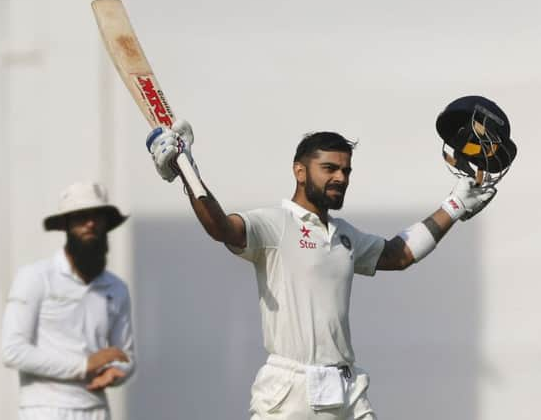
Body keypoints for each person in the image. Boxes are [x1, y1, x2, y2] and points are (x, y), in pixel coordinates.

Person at [147, 120, 496, 420]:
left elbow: (397, 254)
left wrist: (454, 206)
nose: (340, 177)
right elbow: (221, 227)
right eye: (329, 168)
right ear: (300, 171)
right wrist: (186, 170)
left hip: (346, 390)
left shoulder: (344, 234)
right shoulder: (275, 223)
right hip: (289, 393)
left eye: (345, 170)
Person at [2, 182, 135, 420]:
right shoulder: (35, 277)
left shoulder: (117, 288)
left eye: (97, 216)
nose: (90, 223)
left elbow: (125, 355)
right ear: (66, 224)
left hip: (95, 409)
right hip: (44, 409)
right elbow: (13, 351)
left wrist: (118, 372)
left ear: (106, 223)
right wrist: (84, 365)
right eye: (81, 217)